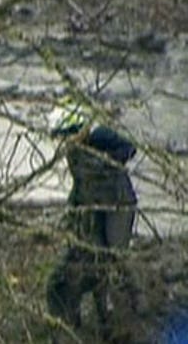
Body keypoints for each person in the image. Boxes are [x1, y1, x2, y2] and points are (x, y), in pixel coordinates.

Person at [46, 97, 139, 340]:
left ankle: (132, 300)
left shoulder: (101, 136)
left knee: (113, 254)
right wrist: (74, 210)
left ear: (79, 129)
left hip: (118, 203)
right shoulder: (72, 150)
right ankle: (87, 315)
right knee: (89, 253)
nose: (63, 141)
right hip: (91, 203)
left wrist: (106, 163)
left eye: (66, 135)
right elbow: (79, 182)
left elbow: (130, 148)